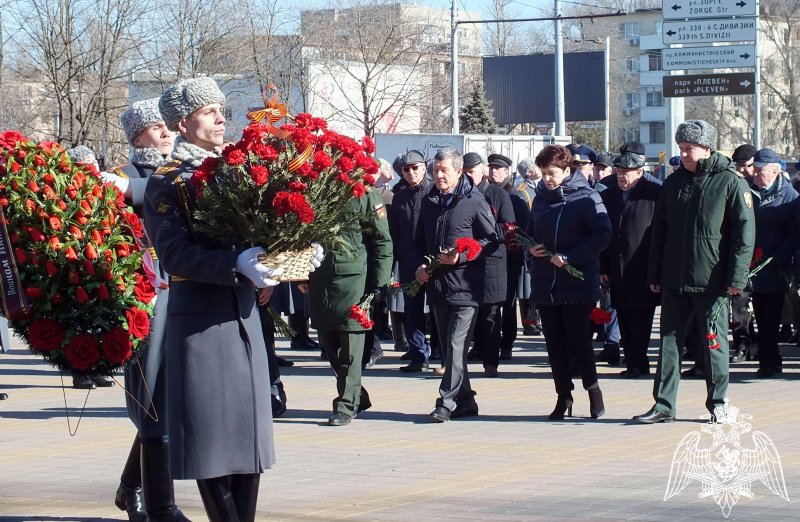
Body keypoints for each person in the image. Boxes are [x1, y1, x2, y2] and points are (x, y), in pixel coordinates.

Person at [144, 77, 323, 520]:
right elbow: (174, 253)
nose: (222, 118)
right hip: (201, 324)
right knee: (212, 444)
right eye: (209, 111)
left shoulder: (234, 169)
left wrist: (290, 251)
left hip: (244, 317)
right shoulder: (169, 181)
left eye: (221, 109)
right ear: (182, 123)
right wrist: (234, 264)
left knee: (249, 442)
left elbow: (258, 234)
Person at [634, 119, 754, 424]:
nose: (685, 154)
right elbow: (659, 232)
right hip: (674, 278)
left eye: (690, 148)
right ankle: (663, 405)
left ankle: (718, 403)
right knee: (668, 344)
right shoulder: (673, 183)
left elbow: (744, 234)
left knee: (713, 344)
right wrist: (655, 275)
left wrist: (736, 278)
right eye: (682, 148)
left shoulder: (730, 182)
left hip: (712, 281)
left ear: (707, 148)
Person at [106, 98, 186, 522]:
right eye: (157, 128)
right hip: (144, 300)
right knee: (152, 396)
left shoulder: (179, 172)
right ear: (137, 135)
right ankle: (154, 501)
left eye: (166, 126)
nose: (166, 133)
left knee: (169, 400)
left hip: (183, 294)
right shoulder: (120, 178)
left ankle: (131, 486)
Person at [526, 145, 611, 421]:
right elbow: (528, 234)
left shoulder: (586, 197)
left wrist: (571, 257)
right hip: (546, 281)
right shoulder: (539, 199)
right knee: (554, 344)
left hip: (577, 282)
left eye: (552, 173)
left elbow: (602, 234)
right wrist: (531, 249)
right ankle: (563, 396)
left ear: (567, 170)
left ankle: (593, 390)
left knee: (578, 341)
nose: (547, 179)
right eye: (543, 174)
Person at [415, 148, 497, 422]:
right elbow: (420, 241)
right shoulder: (429, 202)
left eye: (444, 170)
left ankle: (446, 401)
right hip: (438, 287)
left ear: (459, 172)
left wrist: (461, 256)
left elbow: (491, 240)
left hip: (466, 287)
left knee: (456, 344)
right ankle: (466, 402)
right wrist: (421, 265)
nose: (438, 176)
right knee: (451, 350)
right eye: (435, 170)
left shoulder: (475, 200)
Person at [306, 188, 393, 425]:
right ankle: (357, 395)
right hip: (321, 279)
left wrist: (379, 283)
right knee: (329, 342)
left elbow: (382, 241)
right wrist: (301, 275)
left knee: (351, 345)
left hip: (354, 280)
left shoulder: (365, 195)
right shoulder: (316, 187)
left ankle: (345, 404)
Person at [599, 149, 662, 379]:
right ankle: (632, 360)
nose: (621, 177)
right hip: (617, 268)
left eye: (626, 173)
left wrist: (658, 271)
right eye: (618, 172)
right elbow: (604, 235)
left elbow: (661, 235)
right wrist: (603, 268)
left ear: (639, 172)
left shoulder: (654, 194)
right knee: (623, 316)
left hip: (643, 268)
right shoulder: (609, 195)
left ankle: (640, 361)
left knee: (642, 319)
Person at [67, 144, 116, 390]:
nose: (91, 171)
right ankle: (81, 371)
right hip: (78, 266)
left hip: (102, 263)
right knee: (80, 321)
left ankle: (99, 369)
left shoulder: (105, 192)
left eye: (93, 165)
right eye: (84, 166)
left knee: (102, 318)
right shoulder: (67, 193)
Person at [747, 148, 799, 378]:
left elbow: (794, 234)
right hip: (750, 264)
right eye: (755, 169)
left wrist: (777, 258)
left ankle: (771, 360)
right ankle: (766, 357)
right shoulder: (747, 192)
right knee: (758, 313)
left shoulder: (790, 197)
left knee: (771, 316)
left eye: (761, 170)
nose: (756, 174)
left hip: (775, 266)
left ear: (776, 171)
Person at [463, 152, 514, 377]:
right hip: (467, 261)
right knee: (466, 312)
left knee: (491, 314)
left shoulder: (498, 194)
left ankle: (491, 361)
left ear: (482, 170)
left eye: (472, 172)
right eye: (464, 172)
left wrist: (484, 235)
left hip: (492, 260)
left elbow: (509, 227)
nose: (468, 176)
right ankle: (467, 356)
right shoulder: (461, 194)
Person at [388, 150, 433, 373]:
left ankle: (442, 353)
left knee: (437, 308)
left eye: (415, 167)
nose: (411, 172)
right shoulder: (400, 196)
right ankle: (418, 353)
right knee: (412, 310)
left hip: (433, 260)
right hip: (407, 260)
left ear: (424, 167)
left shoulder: (434, 191)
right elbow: (394, 232)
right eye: (406, 169)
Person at [486, 153, 526, 359]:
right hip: (489, 258)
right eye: (491, 167)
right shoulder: (482, 193)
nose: (493, 172)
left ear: (507, 172)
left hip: (510, 258)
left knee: (508, 304)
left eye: (498, 168)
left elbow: (521, 229)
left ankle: (507, 343)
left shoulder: (515, 198)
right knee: (489, 306)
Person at [513, 158, 540, 336]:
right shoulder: (523, 191)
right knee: (526, 287)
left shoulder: (540, 187)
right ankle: (529, 322)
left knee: (534, 284)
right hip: (528, 243)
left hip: (539, 242)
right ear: (530, 172)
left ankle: (536, 320)